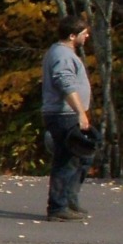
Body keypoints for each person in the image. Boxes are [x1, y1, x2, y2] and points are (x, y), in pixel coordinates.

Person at [41, 14, 93, 222]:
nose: (87, 36)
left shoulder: (63, 53)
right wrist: (80, 112)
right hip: (64, 114)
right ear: (72, 35)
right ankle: (57, 207)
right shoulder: (62, 55)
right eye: (84, 33)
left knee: (84, 155)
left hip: (67, 113)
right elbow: (65, 84)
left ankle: (69, 199)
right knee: (67, 160)